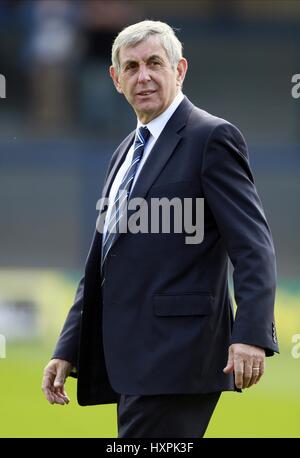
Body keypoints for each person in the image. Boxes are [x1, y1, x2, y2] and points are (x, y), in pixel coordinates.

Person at [42, 20, 279, 438]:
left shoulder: (212, 137)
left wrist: (251, 334)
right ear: (116, 79)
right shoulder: (124, 152)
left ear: (180, 70)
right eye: (131, 67)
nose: (143, 75)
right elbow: (102, 260)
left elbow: (253, 246)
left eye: (155, 63)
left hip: (181, 358)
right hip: (132, 360)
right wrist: (69, 347)